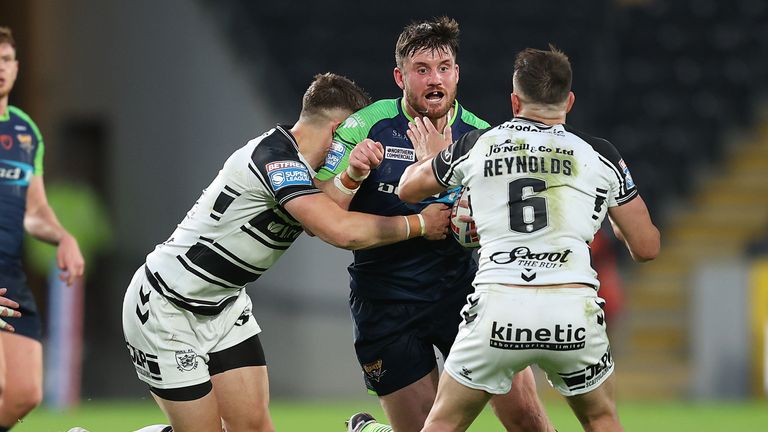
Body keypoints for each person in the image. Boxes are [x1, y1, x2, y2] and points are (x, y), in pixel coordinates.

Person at [121, 72, 450, 432]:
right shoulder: (274, 159)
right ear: (339, 128)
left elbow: (320, 205)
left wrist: (353, 174)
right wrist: (418, 224)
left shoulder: (300, 164)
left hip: (224, 306)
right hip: (168, 306)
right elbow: (335, 229)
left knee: (255, 427)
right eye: (353, 133)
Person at [397, 46, 660, 432]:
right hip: (571, 310)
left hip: (498, 308)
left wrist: (432, 159)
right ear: (568, 101)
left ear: (514, 101)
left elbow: (407, 190)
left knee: (443, 423)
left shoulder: (477, 144)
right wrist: (620, 226)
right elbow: (648, 248)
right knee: (601, 417)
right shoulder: (599, 155)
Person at [314, 17, 551, 432]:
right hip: (386, 304)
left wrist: (471, 209)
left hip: (463, 296)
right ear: (399, 76)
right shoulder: (367, 127)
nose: (434, 78)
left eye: (443, 67)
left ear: (457, 74)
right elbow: (320, 211)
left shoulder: (481, 138)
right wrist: (351, 174)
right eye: (421, 69)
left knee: (529, 419)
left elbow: (512, 225)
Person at [0, 26, 85, 431]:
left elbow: (34, 210)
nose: (0, 69)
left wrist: (63, 236)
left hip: (9, 275)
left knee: (24, 394)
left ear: (16, 68)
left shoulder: (25, 132)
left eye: (6, 60)